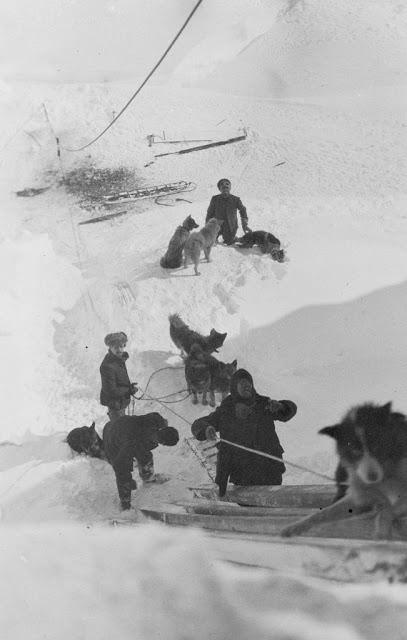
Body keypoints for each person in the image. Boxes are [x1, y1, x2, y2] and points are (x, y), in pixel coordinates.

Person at [191, 369, 297, 496]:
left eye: (249, 383)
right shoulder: (226, 410)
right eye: (242, 383)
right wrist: (206, 428)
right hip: (243, 473)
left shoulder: (263, 404)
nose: (247, 385)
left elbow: (289, 411)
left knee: (271, 503)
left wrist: (281, 406)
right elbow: (197, 424)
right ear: (234, 387)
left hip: (269, 470)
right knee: (251, 509)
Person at [103, 413, 179, 510]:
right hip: (111, 437)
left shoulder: (156, 419)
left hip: (125, 426)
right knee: (123, 472)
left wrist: (163, 424)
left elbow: (157, 419)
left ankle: (148, 478)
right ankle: (125, 503)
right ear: (162, 443)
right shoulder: (129, 444)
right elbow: (120, 467)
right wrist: (128, 483)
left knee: (146, 455)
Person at [99, 332, 138, 421]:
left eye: (121, 346)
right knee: (120, 431)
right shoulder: (108, 365)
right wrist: (128, 390)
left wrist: (129, 387)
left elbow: (118, 381)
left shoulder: (118, 359)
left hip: (120, 403)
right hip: (115, 406)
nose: (119, 349)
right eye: (116, 347)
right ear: (110, 348)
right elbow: (111, 390)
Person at [206, 178, 250, 245]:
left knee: (229, 241)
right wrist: (207, 227)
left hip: (230, 226)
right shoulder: (215, 199)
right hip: (217, 226)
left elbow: (243, 210)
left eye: (227, 184)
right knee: (210, 241)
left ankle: (233, 238)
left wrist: (245, 224)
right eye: (222, 185)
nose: (225, 186)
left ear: (230, 187)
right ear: (219, 189)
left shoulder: (236, 199)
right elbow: (210, 213)